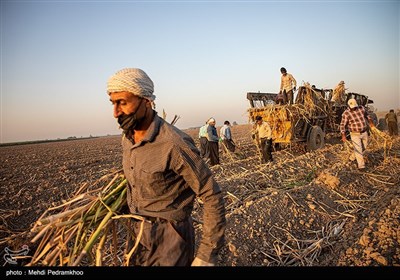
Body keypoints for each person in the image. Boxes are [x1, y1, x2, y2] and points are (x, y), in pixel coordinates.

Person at [107, 68, 226, 266]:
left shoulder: (174, 143)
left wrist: (207, 254)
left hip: (170, 238)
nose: (115, 112)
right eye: (113, 103)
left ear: (146, 101)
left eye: (123, 103)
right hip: (136, 235)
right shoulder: (127, 139)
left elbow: (211, 194)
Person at [340, 98, 375, 170]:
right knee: (358, 149)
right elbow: (342, 125)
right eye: (352, 107)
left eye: (355, 107)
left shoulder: (361, 108)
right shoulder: (346, 113)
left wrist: (370, 122)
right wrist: (343, 135)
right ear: (349, 106)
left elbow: (367, 115)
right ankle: (361, 166)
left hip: (364, 132)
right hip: (354, 134)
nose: (354, 108)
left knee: (364, 147)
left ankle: (352, 157)